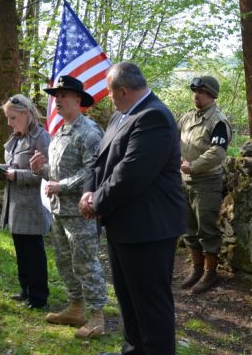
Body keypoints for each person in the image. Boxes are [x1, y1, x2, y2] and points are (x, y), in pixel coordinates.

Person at [79, 62, 186, 355]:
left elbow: (131, 173)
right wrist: (89, 191)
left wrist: (96, 203)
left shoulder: (154, 116)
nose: (109, 99)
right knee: (128, 300)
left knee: (150, 304)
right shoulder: (122, 115)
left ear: (123, 90)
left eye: (111, 93)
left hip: (149, 228)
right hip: (123, 224)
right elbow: (100, 160)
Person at [30, 75, 107, 339]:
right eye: (56, 96)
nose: (58, 100)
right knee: (65, 261)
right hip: (59, 210)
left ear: (78, 99)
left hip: (81, 211)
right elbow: (56, 172)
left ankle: (97, 316)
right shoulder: (60, 132)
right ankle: (76, 307)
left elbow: (94, 170)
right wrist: (42, 169)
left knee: (85, 262)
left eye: (63, 96)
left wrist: (61, 185)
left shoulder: (89, 131)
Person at [0, 94, 52, 309]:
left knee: (33, 252)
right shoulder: (17, 138)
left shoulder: (41, 138)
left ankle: (38, 296)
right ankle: (25, 290)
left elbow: (46, 174)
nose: (9, 123)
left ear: (26, 114)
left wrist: (16, 175)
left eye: (13, 118)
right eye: (8, 118)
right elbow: (14, 165)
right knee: (21, 250)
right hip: (16, 204)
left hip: (34, 205)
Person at [178, 75, 231, 294]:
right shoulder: (188, 117)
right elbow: (173, 138)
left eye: (201, 92)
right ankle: (197, 269)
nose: (196, 96)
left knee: (206, 228)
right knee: (189, 228)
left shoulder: (218, 120)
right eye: (195, 91)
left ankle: (210, 273)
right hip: (185, 180)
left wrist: (195, 165)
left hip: (207, 181)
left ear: (211, 95)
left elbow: (218, 152)